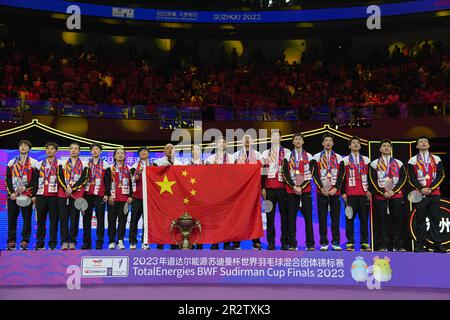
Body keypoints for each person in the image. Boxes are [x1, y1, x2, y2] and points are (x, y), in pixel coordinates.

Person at [407, 136, 446, 253]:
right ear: (417, 146)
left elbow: (441, 175)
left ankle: (437, 244)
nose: (423, 143)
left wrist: (431, 188)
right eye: (421, 142)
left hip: (434, 193)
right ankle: (420, 244)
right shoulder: (412, 160)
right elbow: (411, 177)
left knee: (435, 220)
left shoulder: (436, 159)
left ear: (428, 145)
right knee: (420, 220)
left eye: (425, 142)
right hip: (420, 194)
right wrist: (421, 188)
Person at [369, 139, 407, 252]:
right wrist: (382, 192)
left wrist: (394, 191)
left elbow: (403, 179)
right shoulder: (374, 163)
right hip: (381, 196)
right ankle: (383, 245)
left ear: (391, 149)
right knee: (381, 219)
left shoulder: (399, 163)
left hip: (396, 195)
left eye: (388, 146)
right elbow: (372, 180)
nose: (386, 148)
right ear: (380, 149)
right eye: (384, 146)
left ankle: (398, 245)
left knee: (397, 219)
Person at [283, 133, 315, 251]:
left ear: (303, 142)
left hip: (305, 192)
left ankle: (310, 244)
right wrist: (294, 187)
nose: (297, 141)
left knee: (308, 218)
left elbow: (310, 174)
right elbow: (285, 174)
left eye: (300, 139)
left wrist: (301, 187)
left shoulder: (309, 156)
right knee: (291, 218)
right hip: (291, 192)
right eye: (295, 139)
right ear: (292, 142)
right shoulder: (287, 156)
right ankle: (292, 244)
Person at [312, 134, 345, 251]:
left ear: (333, 143)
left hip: (334, 192)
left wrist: (336, 188)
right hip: (322, 192)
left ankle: (336, 242)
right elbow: (314, 174)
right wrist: (321, 188)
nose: (328, 142)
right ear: (322, 143)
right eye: (326, 140)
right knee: (322, 217)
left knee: (335, 218)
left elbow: (341, 175)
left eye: (330, 141)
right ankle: (323, 242)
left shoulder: (339, 158)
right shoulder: (316, 157)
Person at [5, 140, 38, 250]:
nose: (23, 147)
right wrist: (12, 193)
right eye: (21, 146)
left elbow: (35, 180)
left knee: (27, 219)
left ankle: (25, 241)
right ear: (18, 148)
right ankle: (11, 241)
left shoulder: (34, 163)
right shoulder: (11, 162)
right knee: (12, 219)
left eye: (26, 146)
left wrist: (26, 187)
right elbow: (7, 179)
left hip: (27, 195)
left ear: (29, 149)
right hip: (13, 196)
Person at [261, 130, 291, 250]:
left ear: (280, 138)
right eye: (272, 136)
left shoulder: (287, 153)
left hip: (283, 189)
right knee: (269, 217)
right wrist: (262, 187)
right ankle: (271, 242)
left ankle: (284, 242)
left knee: (285, 216)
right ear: (270, 139)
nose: (274, 138)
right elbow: (262, 172)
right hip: (269, 190)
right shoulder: (265, 153)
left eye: (277, 136)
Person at [341, 136, 372, 252]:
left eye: (357, 143)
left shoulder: (366, 160)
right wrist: (343, 192)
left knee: (364, 219)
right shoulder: (344, 161)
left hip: (363, 194)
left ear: (360, 146)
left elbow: (371, 177)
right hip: (350, 195)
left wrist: (370, 190)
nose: (355, 145)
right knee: (349, 219)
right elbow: (341, 178)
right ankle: (350, 243)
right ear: (349, 146)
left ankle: (364, 243)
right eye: (353, 143)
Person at [233, 134, 263, 250]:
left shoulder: (258, 155)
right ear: (241, 141)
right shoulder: (235, 156)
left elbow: (262, 172)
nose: (246, 140)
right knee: (237, 215)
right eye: (244, 138)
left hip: (253, 190)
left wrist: (262, 187)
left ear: (252, 141)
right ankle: (236, 242)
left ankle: (256, 241)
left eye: (249, 139)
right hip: (239, 190)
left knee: (254, 214)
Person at [57, 142, 88, 250]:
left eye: (76, 149)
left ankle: (72, 242)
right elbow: (59, 177)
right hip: (63, 194)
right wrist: (66, 188)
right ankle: (64, 242)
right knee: (63, 219)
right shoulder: (62, 162)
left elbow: (84, 179)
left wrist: (72, 188)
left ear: (79, 151)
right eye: (71, 149)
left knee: (74, 219)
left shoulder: (84, 164)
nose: (73, 150)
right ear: (69, 151)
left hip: (76, 195)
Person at [206, 137, 235, 250]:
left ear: (226, 145)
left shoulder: (232, 158)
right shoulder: (210, 159)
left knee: (228, 218)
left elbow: (235, 174)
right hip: (215, 192)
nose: (221, 144)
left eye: (223, 142)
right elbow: (206, 175)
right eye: (219, 142)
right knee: (215, 219)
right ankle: (215, 242)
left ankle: (227, 243)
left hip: (228, 192)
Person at [153, 143, 183, 249]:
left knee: (175, 219)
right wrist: (162, 170)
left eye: (172, 148)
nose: (169, 150)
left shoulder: (180, 163)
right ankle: (160, 243)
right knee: (162, 220)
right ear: (163, 151)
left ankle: (174, 243)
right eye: (167, 148)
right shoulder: (157, 162)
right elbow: (154, 178)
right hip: (162, 197)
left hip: (176, 197)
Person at [82, 143, 110, 250]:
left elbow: (107, 181)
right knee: (86, 219)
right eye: (93, 149)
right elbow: (82, 181)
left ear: (100, 152)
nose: (95, 151)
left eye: (97, 149)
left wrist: (107, 194)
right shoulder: (85, 164)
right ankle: (86, 243)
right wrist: (82, 196)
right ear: (90, 152)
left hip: (100, 195)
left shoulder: (106, 164)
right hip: (87, 195)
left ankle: (99, 243)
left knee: (100, 219)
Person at [32, 141, 60, 250]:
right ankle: (40, 243)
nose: (50, 150)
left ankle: (52, 244)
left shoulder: (60, 163)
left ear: (56, 151)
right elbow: (35, 181)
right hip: (41, 196)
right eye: (48, 148)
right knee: (41, 221)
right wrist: (33, 195)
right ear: (45, 150)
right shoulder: (39, 164)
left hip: (55, 196)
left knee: (54, 221)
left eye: (52, 149)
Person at [107, 148, 133, 250]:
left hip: (125, 199)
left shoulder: (129, 169)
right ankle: (112, 241)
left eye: (122, 153)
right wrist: (108, 195)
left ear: (125, 156)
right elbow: (107, 184)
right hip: (112, 199)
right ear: (114, 156)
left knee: (122, 221)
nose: (120, 155)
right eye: (118, 153)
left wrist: (131, 196)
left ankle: (120, 240)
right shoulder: (110, 169)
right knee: (111, 221)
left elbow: (132, 184)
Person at [129, 146, 150, 250]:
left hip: (149, 199)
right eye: (141, 152)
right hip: (137, 197)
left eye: (145, 151)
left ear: (148, 154)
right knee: (134, 221)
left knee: (147, 222)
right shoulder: (133, 166)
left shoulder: (153, 165)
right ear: (139, 155)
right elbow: (134, 179)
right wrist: (140, 172)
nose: (143, 153)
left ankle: (145, 243)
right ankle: (133, 242)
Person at [189, 144, 204, 249]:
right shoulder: (186, 164)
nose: (196, 151)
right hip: (189, 195)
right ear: (192, 152)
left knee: (201, 220)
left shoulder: (205, 163)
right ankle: (190, 241)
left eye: (198, 149)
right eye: (194, 149)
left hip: (202, 196)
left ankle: (200, 242)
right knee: (190, 219)